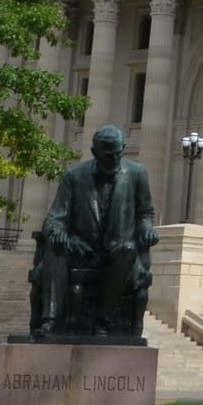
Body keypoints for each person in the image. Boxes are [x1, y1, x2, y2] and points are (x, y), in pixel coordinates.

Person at [33, 124, 159, 339]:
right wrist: (63, 235)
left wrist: (147, 229)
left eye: (117, 154)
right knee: (53, 247)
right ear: (94, 153)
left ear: (123, 149)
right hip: (81, 251)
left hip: (118, 250)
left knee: (128, 250)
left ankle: (104, 321)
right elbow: (54, 218)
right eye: (107, 155)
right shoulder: (74, 176)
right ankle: (50, 321)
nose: (113, 160)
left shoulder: (137, 174)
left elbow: (145, 213)